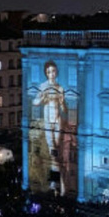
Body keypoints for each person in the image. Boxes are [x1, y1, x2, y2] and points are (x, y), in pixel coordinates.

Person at [33, 60, 67, 191]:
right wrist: (42, 98)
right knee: (52, 148)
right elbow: (35, 102)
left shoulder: (60, 88)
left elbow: (65, 110)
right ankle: (57, 179)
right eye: (48, 72)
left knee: (56, 148)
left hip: (57, 120)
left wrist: (63, 102)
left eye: (53, 71)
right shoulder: (42, 86)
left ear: (56, 72)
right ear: (46, 73)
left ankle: (57, 180)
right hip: (47, 121)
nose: (51, 74)